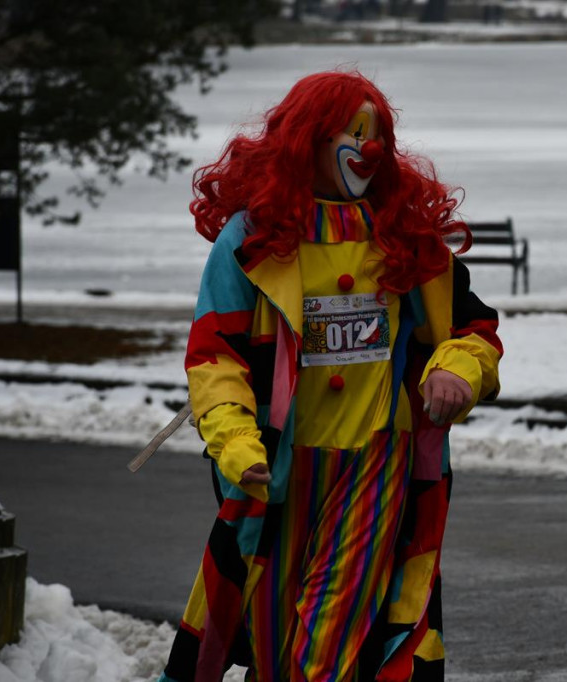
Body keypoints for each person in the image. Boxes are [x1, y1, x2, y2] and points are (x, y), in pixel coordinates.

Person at [160, 71, 502, 682]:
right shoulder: (251, 240)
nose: (369, 148)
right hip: (280, 474)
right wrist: (236, 442)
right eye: (353, 131)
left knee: (325, 648)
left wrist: (456, 368)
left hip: (376, 462)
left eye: (377, 135)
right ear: (306, 139)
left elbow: (472, 329)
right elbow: (215, 356)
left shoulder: (403, 236)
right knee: (271, 643)